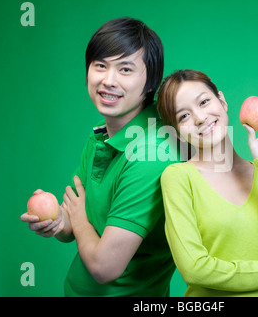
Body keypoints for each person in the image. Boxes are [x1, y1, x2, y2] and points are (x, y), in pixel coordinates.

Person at [20, 17, 179, 296]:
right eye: (100, 66)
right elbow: (75, 219)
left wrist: (77, 220)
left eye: (125, 69)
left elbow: (105, 266)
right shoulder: (104, 135)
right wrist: (57, 221)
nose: (108, 81)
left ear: (150, 81)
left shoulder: (151, 153)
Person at [156, 69, 258, 297]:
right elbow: (195, 270)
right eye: (184, 116)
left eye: (204, 102)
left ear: (223, 101)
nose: (199, 117)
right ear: (176, 132)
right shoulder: (178, 177)